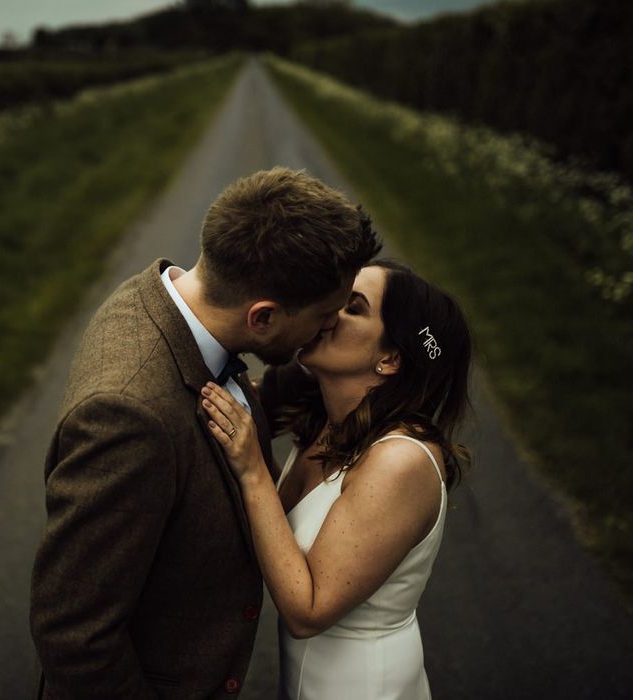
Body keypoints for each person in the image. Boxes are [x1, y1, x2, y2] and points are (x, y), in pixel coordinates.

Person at [29, 167, 380, 699]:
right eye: (325, 315)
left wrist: (410, 364)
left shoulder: (163, 298)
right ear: (261, 318)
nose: (330, 328)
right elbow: (74, 636)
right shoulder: (129, 419)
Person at [200, 259, 472, 699]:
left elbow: (307, 611)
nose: (329, 312)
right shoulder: (331, 420)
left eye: (353, 307)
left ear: (390, 358)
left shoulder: (400, 462)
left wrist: (252, 470)